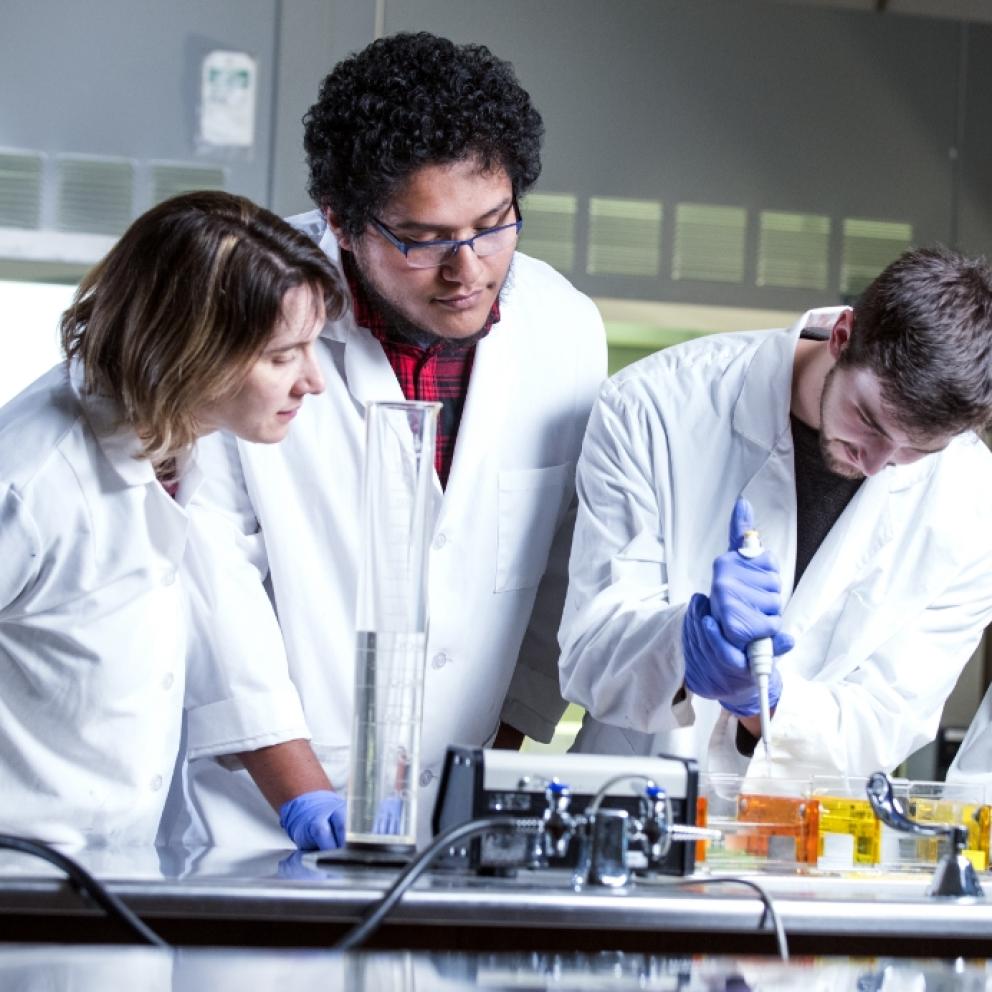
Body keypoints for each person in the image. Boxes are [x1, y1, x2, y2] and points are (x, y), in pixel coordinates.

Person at [176, 32, 607, 850]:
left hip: (451, 817)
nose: (469, 269)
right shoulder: (240, 307)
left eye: (493, 224)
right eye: (422, 238)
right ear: (342, 222)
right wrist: (303, 798)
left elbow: (553, 579)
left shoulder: (565, 328)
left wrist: (477, 793)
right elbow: (210, 578)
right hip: (249, 819)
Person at [559, 246, 992, 781]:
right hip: (632, 796)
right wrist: (685, 644)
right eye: (870, 421)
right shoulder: (652, 405)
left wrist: (766, 705)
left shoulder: (974, 502)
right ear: (842, 336)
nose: (879, 464)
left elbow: (891, 717)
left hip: (808, 835)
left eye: (916, 451)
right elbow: (589, 654)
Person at [0, 190, 343, 846]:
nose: (313, 380)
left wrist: (304, 795)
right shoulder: (31, 482)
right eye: (282, 355)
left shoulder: (179, 443)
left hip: (111, 884)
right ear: (194, 350)